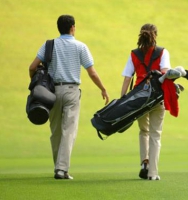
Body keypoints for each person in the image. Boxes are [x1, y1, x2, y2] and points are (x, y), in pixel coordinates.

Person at [29, 15, 109, 180]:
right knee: (69, 131)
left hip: (50, 92)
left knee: (56, 130)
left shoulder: (49, 45)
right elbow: (91, 72)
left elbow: (32, 67)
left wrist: (37, 84)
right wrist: (102, 88)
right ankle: (61, 169)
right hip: (72, 91)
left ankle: (58, 167)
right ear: (73, 27)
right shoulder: (80, 46)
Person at [120, 23, 171, 180]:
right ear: (155, 34)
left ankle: (145, 163)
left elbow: (128, 78)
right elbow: (165, 73)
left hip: (139, 99)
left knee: (144, 131)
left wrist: (122, 99)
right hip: (156, 97)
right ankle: (153, 173)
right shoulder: (162, 52)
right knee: (156, 135)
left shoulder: (134, 53)